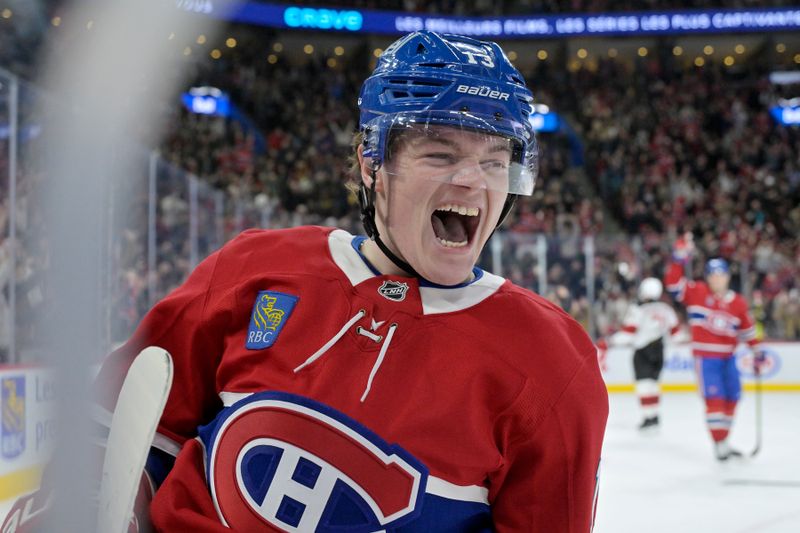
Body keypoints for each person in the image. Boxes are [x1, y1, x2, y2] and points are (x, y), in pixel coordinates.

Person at [91, 31, 608, 531]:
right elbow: (126, 432)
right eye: (440, 154)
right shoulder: (255, 267)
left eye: (495, 161)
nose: (473, 179)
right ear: (371, 165)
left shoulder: (551, 364)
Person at [665, 234, 762, 461]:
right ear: (708, 278)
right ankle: (718, 443)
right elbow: (673, 284)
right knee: (715, 401)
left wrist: (757, 351)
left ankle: (724, 440)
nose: (717, 279)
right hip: (706, 359)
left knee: (733, 398)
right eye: (713, 275)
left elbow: (747, 330)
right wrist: (679, 258)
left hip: (729, 358)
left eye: (721, 274)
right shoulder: (697, 292)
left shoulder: (738, 302)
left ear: (727, 277)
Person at [603, 277, 680, 430]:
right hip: (659, 349)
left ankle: (648, 417)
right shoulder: (666, 309)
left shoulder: (638, 309)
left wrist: (609, 341)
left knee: (644, 385)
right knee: (653, 384)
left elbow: (628, 333)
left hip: (643, 350)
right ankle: (655, 415)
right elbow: (676, 334)